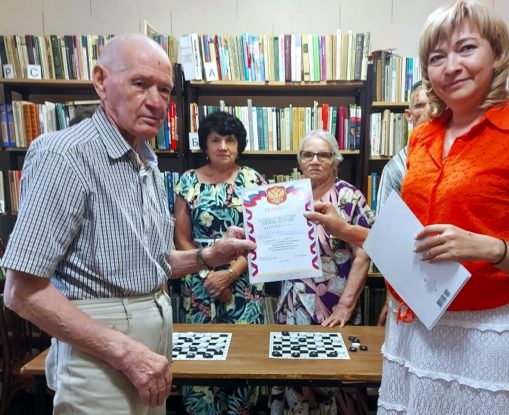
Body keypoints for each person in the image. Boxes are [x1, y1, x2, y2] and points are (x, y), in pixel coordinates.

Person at [306, 1, 509, 413]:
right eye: (436, 57)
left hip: (480, 335)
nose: (451, 67)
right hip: (411, 328)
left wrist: (489, 248)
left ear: (497, 53)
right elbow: (413, 245)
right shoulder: (422, 137)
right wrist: (346, 230)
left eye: (466, 48)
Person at [1, 34, 254, 415]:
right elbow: (22, 291)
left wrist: (208, 256)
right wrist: (125, 352)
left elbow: (151, 264)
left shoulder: (146, 162)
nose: (156, 101)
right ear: (101, 81)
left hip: (149, 352)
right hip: (104, 358)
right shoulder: (65, 154)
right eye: (140, 83)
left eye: (164, 89)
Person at [271, 129, 375, 415]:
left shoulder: (349, 197)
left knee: (335, 381)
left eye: (323, 155)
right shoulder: (287, 196)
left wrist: (345, 306)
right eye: (308, 154)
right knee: (294, 377)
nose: (315, 160)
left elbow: (366, 251)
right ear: (299, 161)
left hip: (335, 306)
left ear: (335, 160)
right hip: (293, 306)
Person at [173, 111, 267, 414]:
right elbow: (181, 237)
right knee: (201, 362)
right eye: (215, 140)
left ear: (239, 145)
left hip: (243, 284)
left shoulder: (254, 180)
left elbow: (261, 237)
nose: (223, 146)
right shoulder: (187, 181)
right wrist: (209, 276)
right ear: (205, 145)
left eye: (230, 140)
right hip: (199, 284)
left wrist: (229, 275)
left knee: (243, 362)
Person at [375, 81, 431, 326]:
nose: (429, 111)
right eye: (420, 105)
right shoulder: (396, 169)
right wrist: (392, 295)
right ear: (409, 115)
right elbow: (385, 236)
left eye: (435, 104)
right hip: (412, 278)